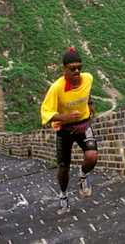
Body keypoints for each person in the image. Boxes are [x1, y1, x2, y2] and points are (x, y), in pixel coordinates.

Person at [41, 47, 98, 211]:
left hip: (83, 124)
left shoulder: (88, 78)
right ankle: (63, 194)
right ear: (64, 69)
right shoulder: (57, 88)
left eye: (79, 67)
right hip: (65, 129)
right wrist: (64, 118)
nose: (77, 71)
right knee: (64, 167)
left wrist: (90, 103)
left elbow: (87, 92)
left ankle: (82, 175)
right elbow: (46, 113)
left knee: (92, 156)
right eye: (72, 68)